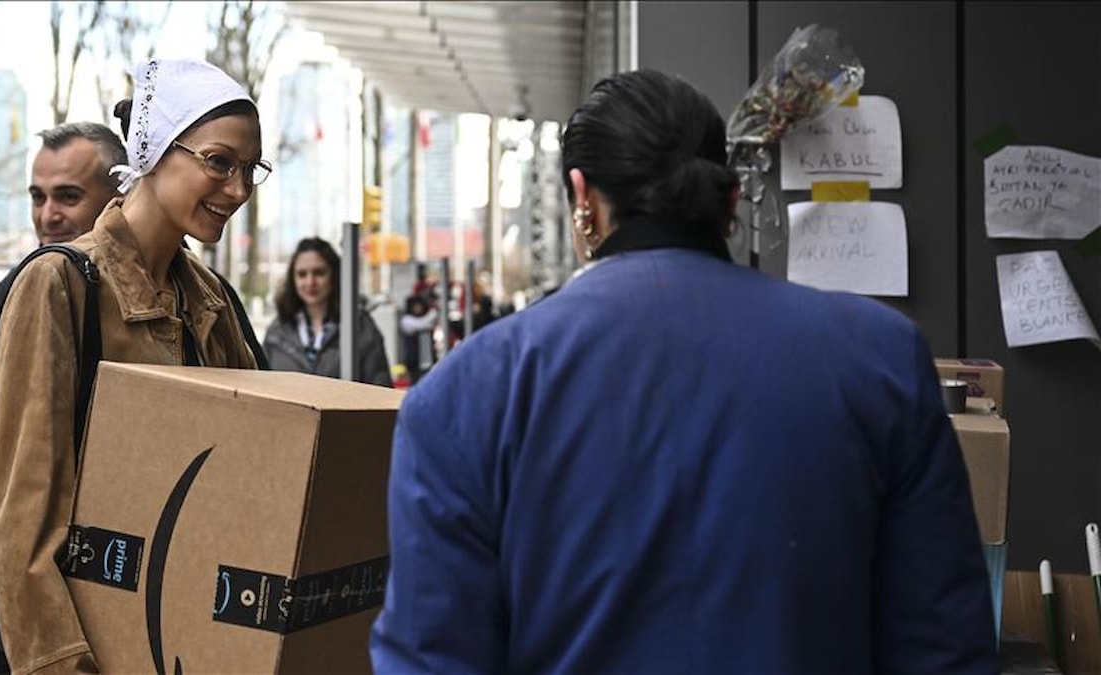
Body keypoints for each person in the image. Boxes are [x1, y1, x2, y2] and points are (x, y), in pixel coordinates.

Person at [371, 70, 996, 672]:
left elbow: (432, 657)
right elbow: (943, 644)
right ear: (729, 201)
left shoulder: (465, 394)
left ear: (583, 199)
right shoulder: (879, 357)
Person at [0, 58, 269, 674]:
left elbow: (255, 476)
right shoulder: (57, 285)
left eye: (250, 170)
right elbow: (22, 528)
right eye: (218, 162)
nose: (237, 190)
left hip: (185, 641)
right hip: (87, 650)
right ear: (154, 152)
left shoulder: (210, 300)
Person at [0, 122, 128, 318]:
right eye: (38, 197)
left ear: (119, 197)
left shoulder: (160, 278)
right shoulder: (12, 290)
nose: (47, 217)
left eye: (69, 196)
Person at [262, 237, 392, 386]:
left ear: (334, 275)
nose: (310, 282)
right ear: (293, 280)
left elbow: (380, 387)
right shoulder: (277, 331)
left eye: (319, 273)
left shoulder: (360, 327)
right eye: (302, 274)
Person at [399, 292, 437, 386]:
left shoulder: (425, 319)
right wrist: (433, 312)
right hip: (414, 361)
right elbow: (421, 324)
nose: (418, 309)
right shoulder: (407, 320)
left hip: (428, 360)